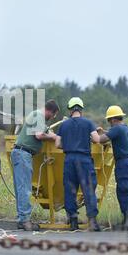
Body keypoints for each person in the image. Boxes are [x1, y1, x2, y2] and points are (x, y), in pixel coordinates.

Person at [11, 100, 59, 231]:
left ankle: (22, 218)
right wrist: (54, 138)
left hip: (21, 153)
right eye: (54, 115)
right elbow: (39, 135)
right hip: (23, 154)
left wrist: (49, 132)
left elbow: (42, 131)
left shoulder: (37, 117)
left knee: (21, 188)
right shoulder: (39, 115)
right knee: (24, 188)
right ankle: (25, 221)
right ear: (51, 111)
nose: (53, 118)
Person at [55, 97, 101, 231]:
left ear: (70, 110)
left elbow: (57, 144)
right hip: (84, 160)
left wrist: (69, 145)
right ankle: (92, 222)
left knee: (70, 191)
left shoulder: (63, 125)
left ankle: (73, 222)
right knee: (88, 190)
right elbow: (97, 140)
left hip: (69, 159)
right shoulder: (88, 123)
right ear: (81, 109)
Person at [97, 105, 128, 230]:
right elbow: (112, 134)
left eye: (109, 120)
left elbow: (100, 140)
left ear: (114, 119)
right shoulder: (126, 128)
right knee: (127, 192)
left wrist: (94, 134)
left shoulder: (116, 129)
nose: (109, 123)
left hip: (124, 164)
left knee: (123, 192)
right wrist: (104, 131)